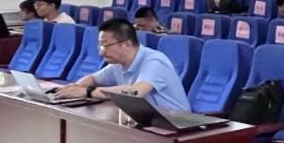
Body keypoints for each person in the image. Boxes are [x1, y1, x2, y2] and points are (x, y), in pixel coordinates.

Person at [54, 19, 190, 110]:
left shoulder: (155, 61)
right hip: (149, 120)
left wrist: (87, 92)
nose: (101, 52)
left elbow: (135, 92)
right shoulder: (117, 64)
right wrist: (74, 88)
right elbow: (93, 78)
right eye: (100, 45)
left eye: (105, 45)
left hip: (178, 125)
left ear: (127, 44)